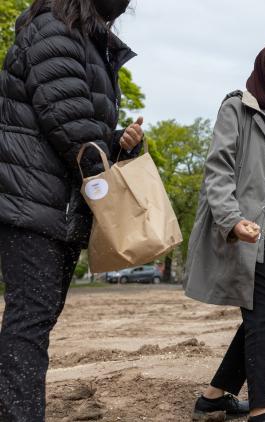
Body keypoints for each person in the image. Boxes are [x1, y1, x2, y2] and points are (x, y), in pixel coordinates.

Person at [0, 1, 142, 420]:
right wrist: (118, 192)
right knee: (31, 320)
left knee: (35, 319)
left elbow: (79, 129)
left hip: (52, 205)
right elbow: (68, 124)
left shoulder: (80, 38)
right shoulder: (53, 31)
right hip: (32, 203)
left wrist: (117, 142)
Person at [184, 42, 265, 422]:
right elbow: (219, 169)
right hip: (247, 232)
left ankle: (213, 397)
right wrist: (231, 219)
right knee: (263, 318)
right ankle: (261, 410)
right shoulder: (237, 108)